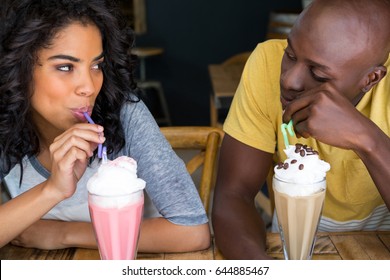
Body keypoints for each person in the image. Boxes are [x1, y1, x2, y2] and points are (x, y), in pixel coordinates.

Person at [0, 0, 210, 251]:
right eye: (65, 67)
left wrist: (62, 233)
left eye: (96, 65)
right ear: (16, 67)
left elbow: (192, 231)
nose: (88, 87)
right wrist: (52, 190)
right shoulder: (6, 122)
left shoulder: (124, 115)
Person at [212, 0, 390, 259]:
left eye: (319, 74)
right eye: (291, 54)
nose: (288, 80)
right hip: (289, 250)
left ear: (370, 79)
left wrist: (366, 139)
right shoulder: (266, 62)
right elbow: (233, 195)